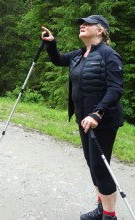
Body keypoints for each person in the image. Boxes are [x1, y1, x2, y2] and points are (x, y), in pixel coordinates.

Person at [41, 15, 124, 220]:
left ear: (101, 31)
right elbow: (58, 60)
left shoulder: (109, 55)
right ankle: (101, 208)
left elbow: (115, 89)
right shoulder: (79, 55)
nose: (82, 26)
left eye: (88, 24)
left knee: (100, 168)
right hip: (83, 120)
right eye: (81, 24)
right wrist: (52, 44)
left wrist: (98, 113)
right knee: (92, 165)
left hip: (102, 121)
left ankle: (109, 216)